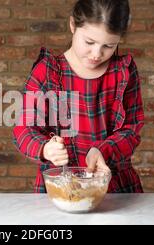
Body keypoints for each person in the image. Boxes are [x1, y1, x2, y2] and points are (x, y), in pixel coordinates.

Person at [13, 0, 144, 193]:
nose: (96, 54)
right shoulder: (47, 73)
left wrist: (102, 150)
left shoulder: (123, 71)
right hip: (59, 187)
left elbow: (131, 130)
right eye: (89, 42)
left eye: (109, 45)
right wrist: (45, 148)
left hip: (113, 186)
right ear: (73, 25)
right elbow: (23, 129)